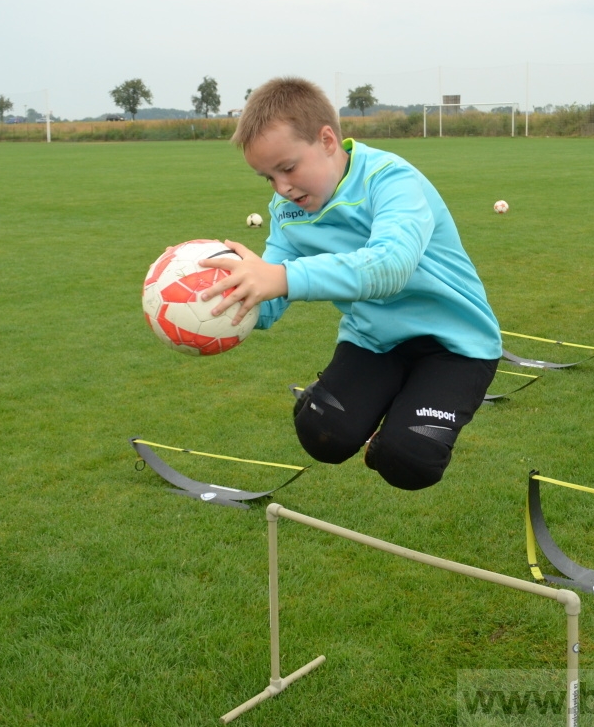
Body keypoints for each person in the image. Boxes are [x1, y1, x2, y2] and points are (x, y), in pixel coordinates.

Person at [198, 77, 501, 491]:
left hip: (455, 344)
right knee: (322, 434)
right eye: (267, 178)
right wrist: (210, 298)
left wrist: (284, 277)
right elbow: (266, 303)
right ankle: (352, 404)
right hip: (374, 342)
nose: (282, 188)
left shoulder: (391, 180)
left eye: (287, 168)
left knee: (410, 460)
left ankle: (396, 427)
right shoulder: (287, 212)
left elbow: (390, 266)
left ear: (326, 140)